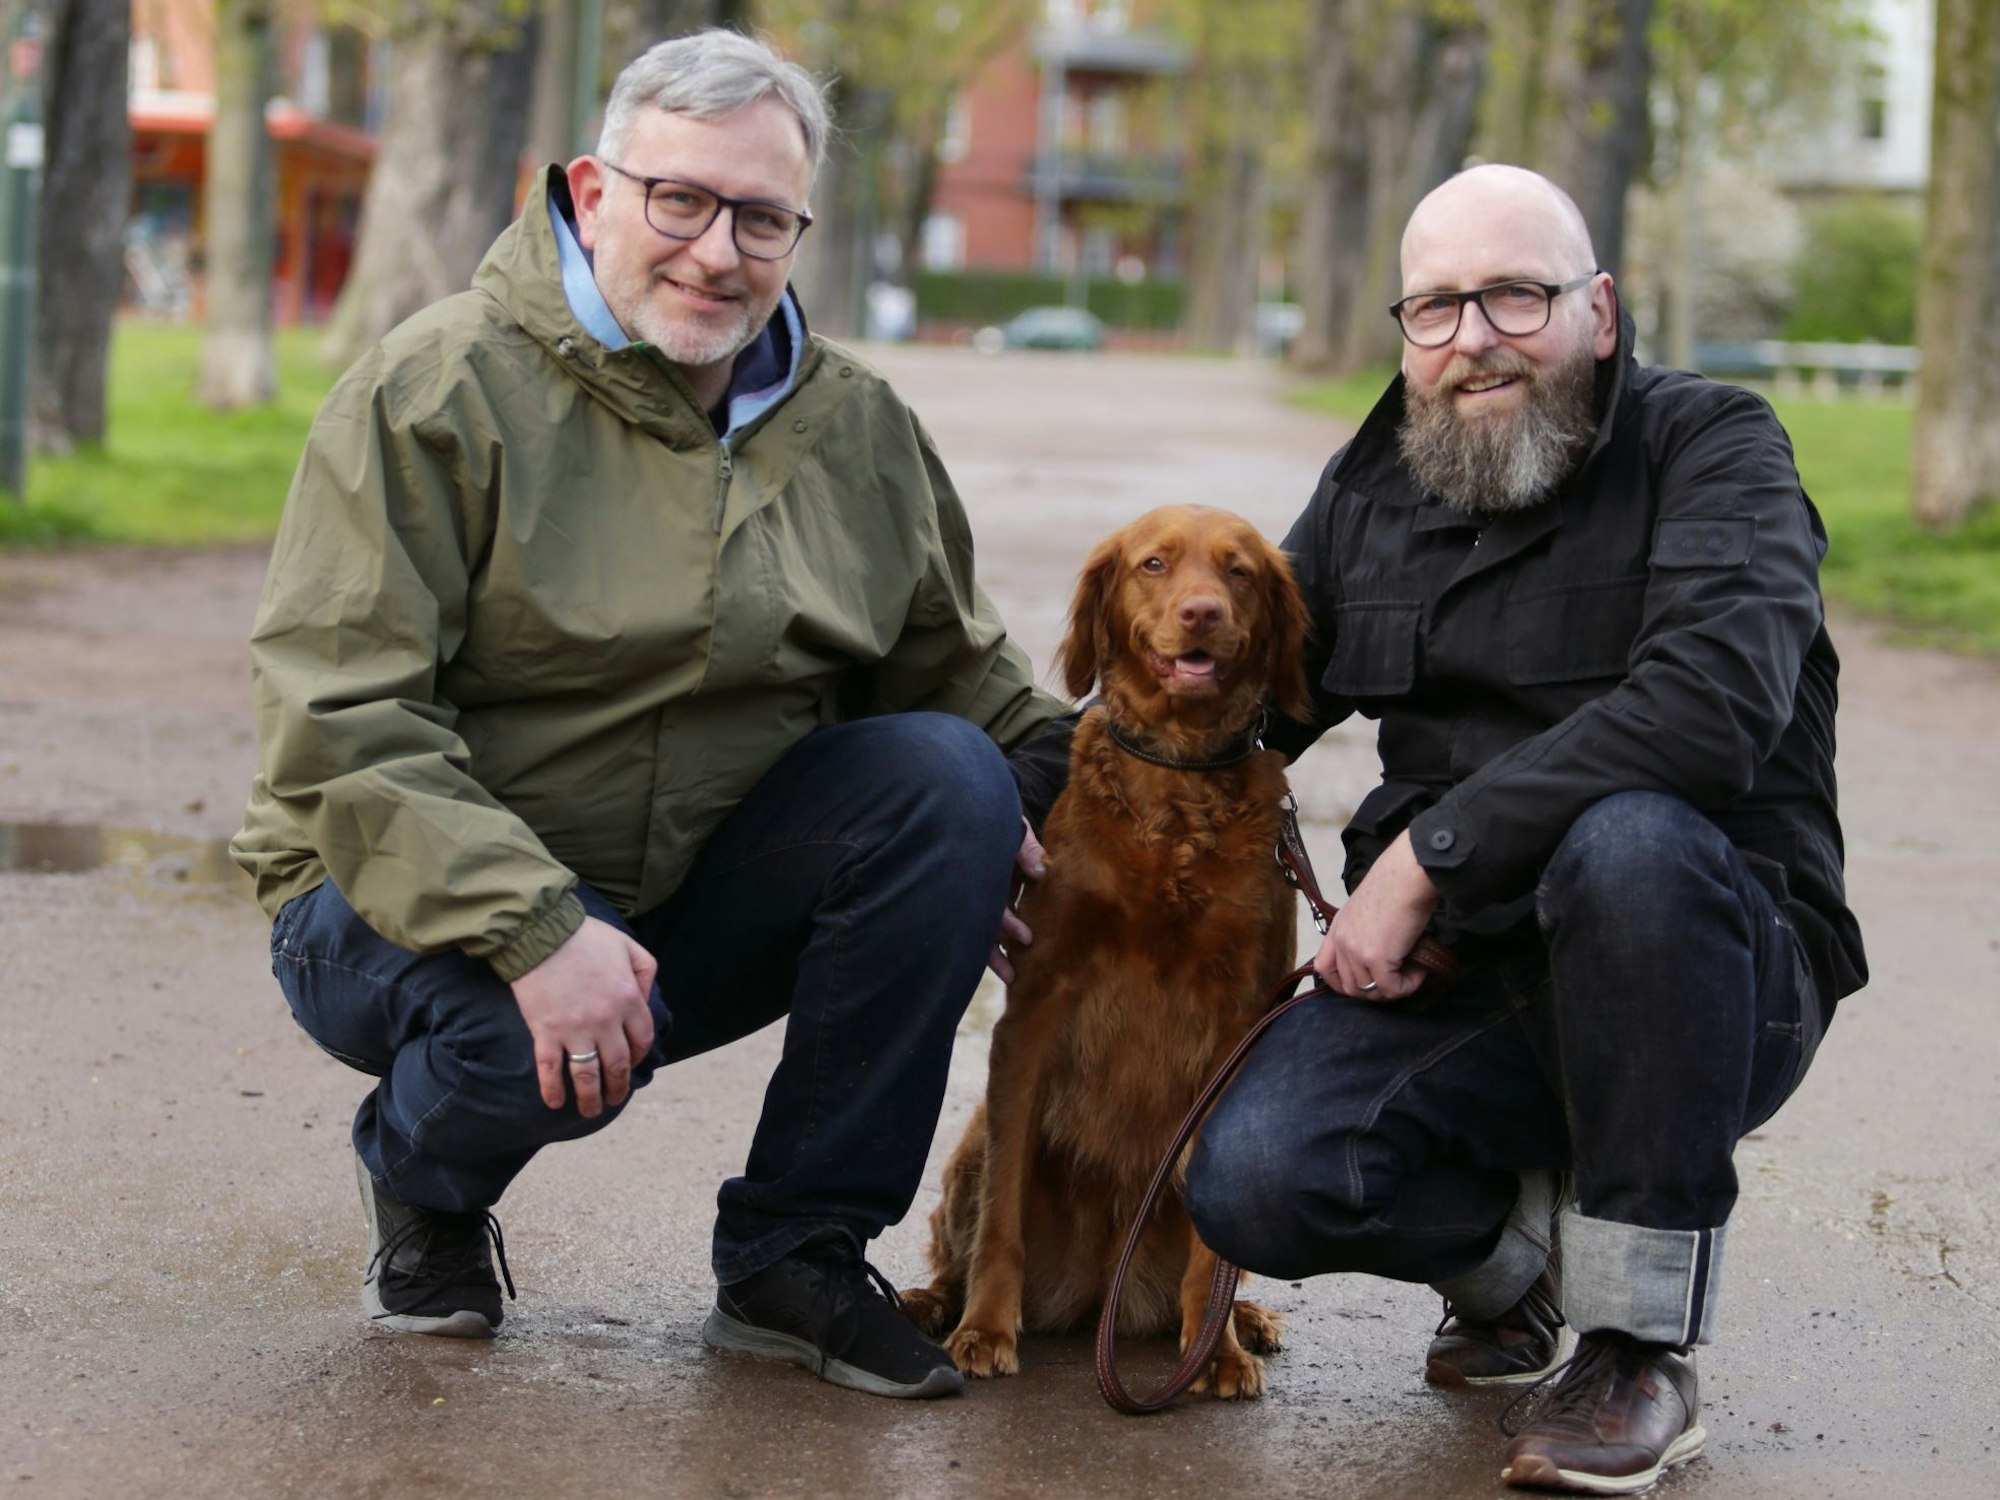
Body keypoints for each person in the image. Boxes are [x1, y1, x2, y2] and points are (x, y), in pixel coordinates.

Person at [231, 29, 1069, 1402]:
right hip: (389, 898)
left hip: (684, 888)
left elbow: (965, 685)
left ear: (799, 229)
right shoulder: (434, 389)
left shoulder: (853, 427)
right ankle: (421, 1181)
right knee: (531, 1048)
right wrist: (535, 928)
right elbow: (341, 716)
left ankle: (795, 1256)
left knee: (948, 781)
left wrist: (1077, 822)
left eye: (761, 217)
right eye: (679, 198)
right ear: (592, 188)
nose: (716, 249)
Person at [1182, 164, 1867, 1492]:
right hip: (1476, 980)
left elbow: (1711, 708)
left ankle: (1634, 1348)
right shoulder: (1374, 483)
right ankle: (1517, 1262)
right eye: (1436, 308)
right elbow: (1250, 701)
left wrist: (1428, 863)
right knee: (1254, 1174)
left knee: (1629, 844)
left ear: (1600, 312)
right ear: (1405, 334)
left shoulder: (1715, 444)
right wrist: (1033, 790)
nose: (1474, 337)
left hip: (1711, 968)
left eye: (1515, 295)